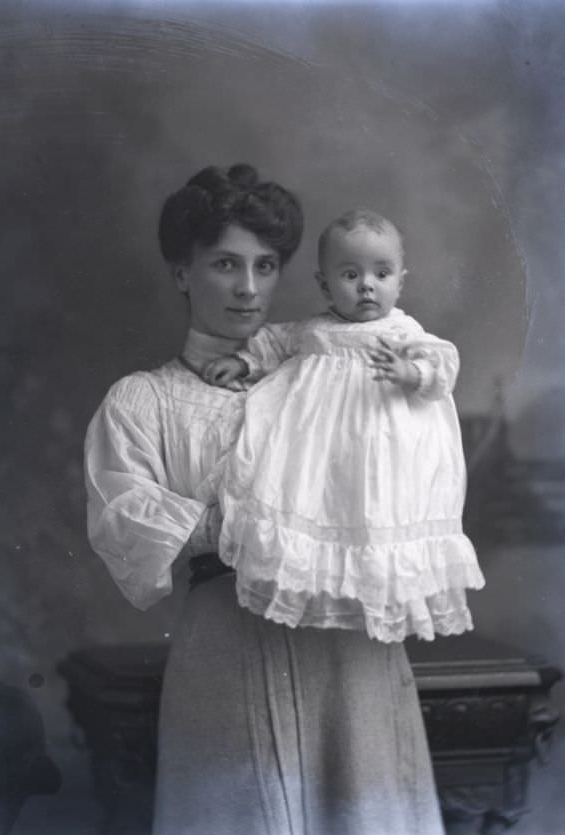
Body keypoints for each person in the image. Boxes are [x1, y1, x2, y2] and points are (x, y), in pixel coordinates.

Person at [84, 165, 446, 835]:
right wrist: (231, 521)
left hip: (349, 642)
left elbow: (417, 458)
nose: (249, 287)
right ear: (182, 271)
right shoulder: (144, 401)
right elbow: (123, 518)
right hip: (229, 644)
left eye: (266, 264)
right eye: (225, 263)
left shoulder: (335, 373)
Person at [206, 209, 485, 644]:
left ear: (400, 281)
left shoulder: (403, 330)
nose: (367, 285)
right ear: (325, 284)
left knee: (373, 518)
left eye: (381, 273)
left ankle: (373, 590)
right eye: (350, 274)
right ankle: (321, 590)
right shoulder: (316, 330)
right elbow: (275, 342)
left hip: (384, 451)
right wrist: (242, 360)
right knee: (319, 508)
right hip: (322, 455)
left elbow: (442, 364)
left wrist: (411, 374)